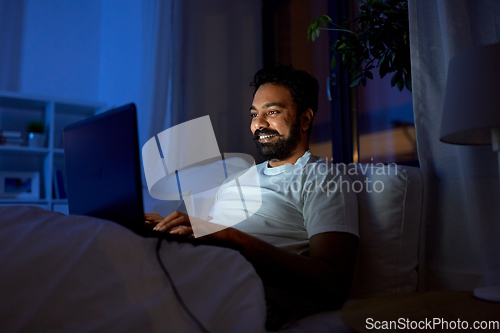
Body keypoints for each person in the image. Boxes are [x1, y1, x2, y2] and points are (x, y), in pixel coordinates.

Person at [145, 64, 359, 329]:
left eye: (272, 112)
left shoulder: (322, 177)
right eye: (254, 114)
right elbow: (210, 238)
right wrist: (166, 230)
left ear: (305, 119)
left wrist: (228, 236)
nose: (259, 123)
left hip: (244, 297)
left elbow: (333, 283)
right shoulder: (237, 179)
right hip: (195, 273)